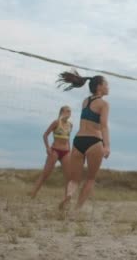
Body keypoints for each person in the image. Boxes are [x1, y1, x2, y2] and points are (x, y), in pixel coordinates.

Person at [56, 70, 110, 211]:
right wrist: (107, 146)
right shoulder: (103, 104)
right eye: (106, 84)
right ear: (99, 86)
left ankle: (69, 195)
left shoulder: (85, 101)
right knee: (90, 179)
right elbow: (103, 126)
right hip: (94, 140)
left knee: (74, 179)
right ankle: (77, 209)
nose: (108, 87)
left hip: (78, 140)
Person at [30, 105, 73, 199]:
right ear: (62, 112)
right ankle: (32, 194)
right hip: (55, 151)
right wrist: (48, 148)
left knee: (69, 177)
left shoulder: (70, 125)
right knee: (45, 174)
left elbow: (68, 138)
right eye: (67, 111)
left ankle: (66, 199)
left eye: (70, 111)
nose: (69, 113)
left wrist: (70, 150)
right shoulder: (56, 122)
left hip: (66, 152)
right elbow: (45, 135)